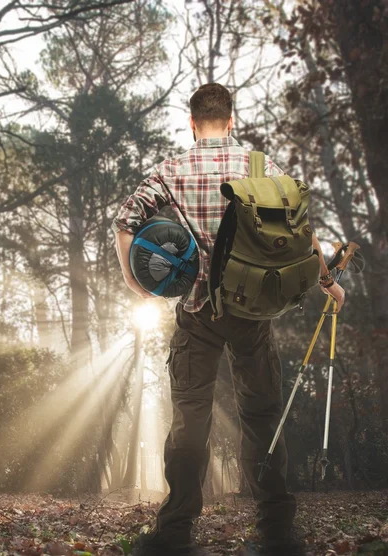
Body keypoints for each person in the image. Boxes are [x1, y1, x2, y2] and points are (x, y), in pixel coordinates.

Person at [112, 83, 345, 556]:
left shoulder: (171, 170)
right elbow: (301, 232)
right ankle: (277, 533)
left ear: (192, 123)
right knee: (261, 419)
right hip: (254, 314)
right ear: (232, 120)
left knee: (190, 422)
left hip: (198, 314)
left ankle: (176, 535)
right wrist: (328, 283)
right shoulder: (260, 167)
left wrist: (137, 283)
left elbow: (124, 221)